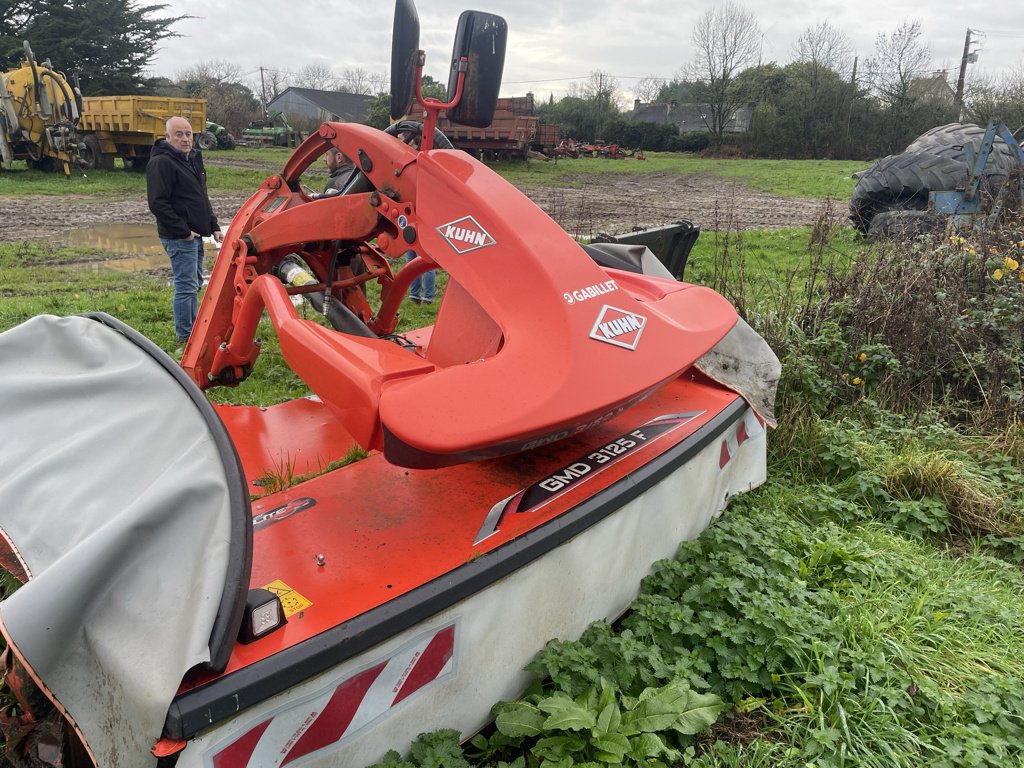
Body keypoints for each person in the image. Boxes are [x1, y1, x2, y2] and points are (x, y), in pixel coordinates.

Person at [146, 116, 222, 345]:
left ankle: (192, 330)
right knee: (186, 286)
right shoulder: (162, 163)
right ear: (167, 137)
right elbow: (158, 203)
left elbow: (201, 197)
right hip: (180, 237)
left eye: (188, 134)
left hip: (195, 235)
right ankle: (186, 337)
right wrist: (183, 231)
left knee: (194, 284)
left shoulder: (192, 160)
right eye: (178, 134)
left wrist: (214, 226)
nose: (185, 139)